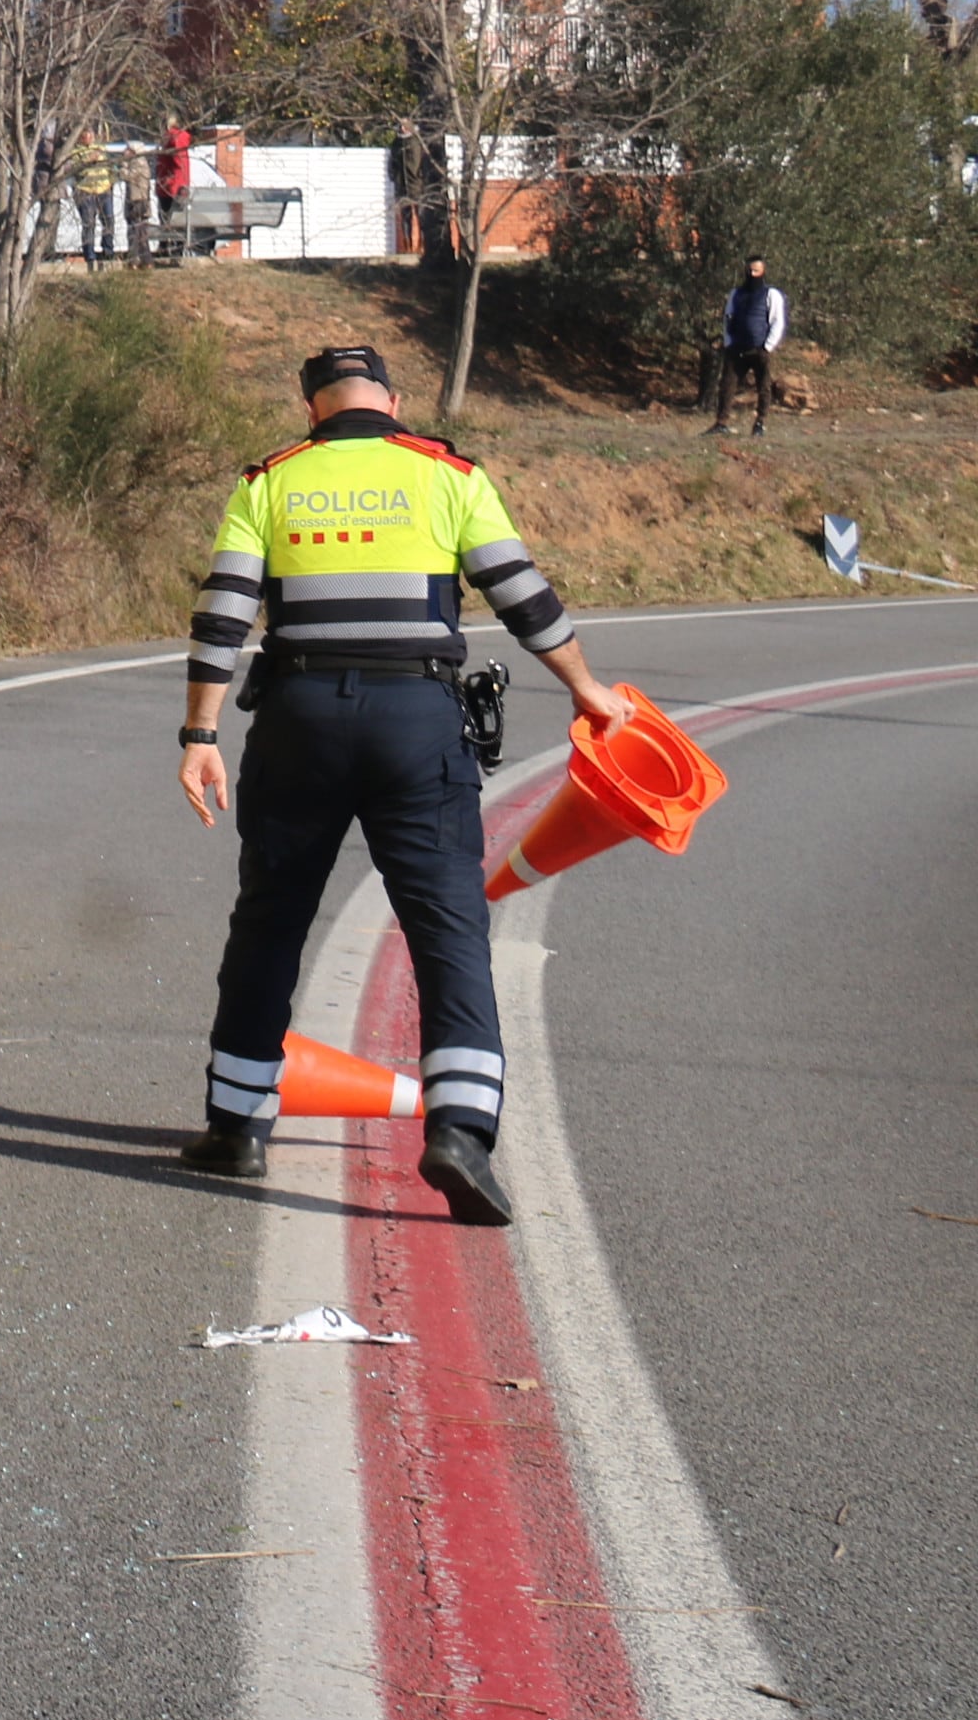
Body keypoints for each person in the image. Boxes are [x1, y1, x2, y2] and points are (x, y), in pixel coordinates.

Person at [174, 343, 631, 1224]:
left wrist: (200, 733)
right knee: (449, 928)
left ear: (311, 407)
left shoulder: (272, 479)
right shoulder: (446, 474)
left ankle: (236, 1124)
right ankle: (459, 1131)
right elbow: (521, 593)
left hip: (299, 715)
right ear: (392, 399)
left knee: (270, 921)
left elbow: (224, 609)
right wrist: (584, 688)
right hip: (417, 721)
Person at [710, 257, 789, 435]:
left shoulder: (771, 294)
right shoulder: (736, 294)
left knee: (763, 386)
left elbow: (778, 322)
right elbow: (728, 318)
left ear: (763, 272)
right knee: (727, 385)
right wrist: (729, 342)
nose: (751, 274)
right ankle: (721, 423)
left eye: (756, 271)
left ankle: (760, 423)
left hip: (759, 348)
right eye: (749, 270)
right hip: (737, 348)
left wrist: (767, 346)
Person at [69, 132, 121, 263]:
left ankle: (108, 250)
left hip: (103, 189)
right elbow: (75, 171)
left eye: (92, 136)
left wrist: (111, 182)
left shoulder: (101, 149)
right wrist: (88, 160)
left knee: (108, 220)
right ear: (81, 137)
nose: (90, 138)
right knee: (88, 223)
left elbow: (112, 167)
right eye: (87, 136)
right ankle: (89, 254)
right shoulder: (75, 152)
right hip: (85, 190)